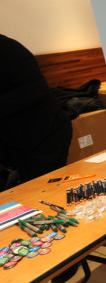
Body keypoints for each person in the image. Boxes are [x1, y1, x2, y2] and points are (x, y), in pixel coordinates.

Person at [0, 34, 72, 188]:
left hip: (43, 136)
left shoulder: (7, 49)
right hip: (14, 139)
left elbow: (35, 89)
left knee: (44, 191)